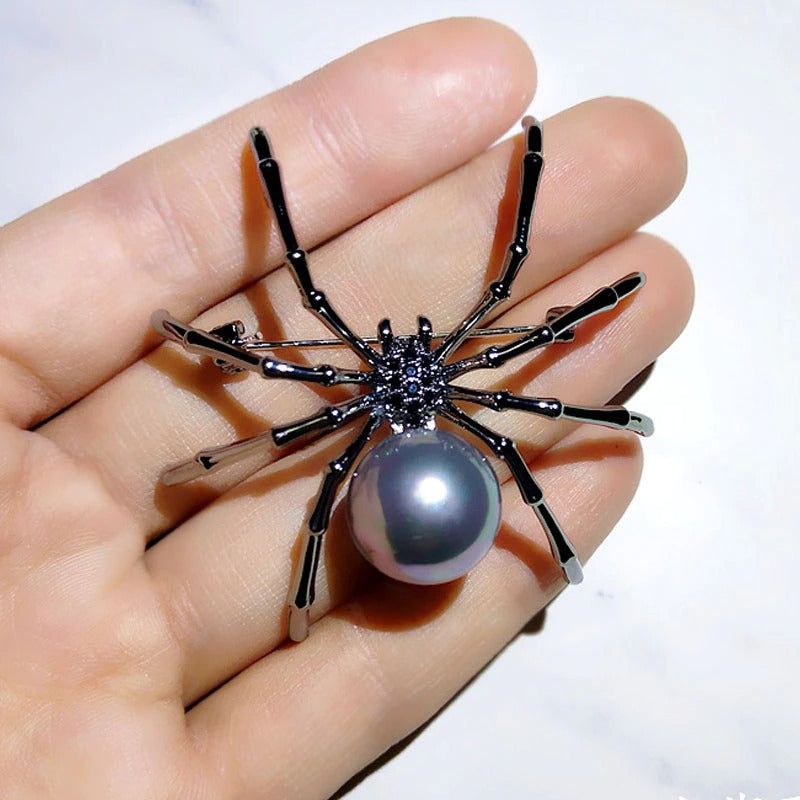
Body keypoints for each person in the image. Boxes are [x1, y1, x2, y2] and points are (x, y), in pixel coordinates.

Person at [0, 17, 692, 799]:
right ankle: (566, 532)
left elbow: (306, 298)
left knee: (331, 387)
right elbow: (517, 324)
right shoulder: (459, 377)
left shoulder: (353, 402)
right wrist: (615, 406)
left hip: (407, 486)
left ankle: (319, 591)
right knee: (500, 363)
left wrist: (186, 353)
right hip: (430, 484)